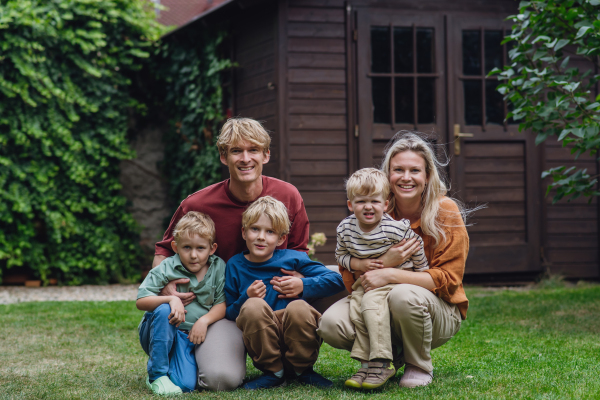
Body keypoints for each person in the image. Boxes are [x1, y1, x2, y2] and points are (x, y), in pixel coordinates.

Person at [152, 117, 346, 391]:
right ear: (223, 156)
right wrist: (166, 287)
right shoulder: (198, 203)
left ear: (266, 154)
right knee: (221, 379)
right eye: (236, 151)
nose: (245, 159)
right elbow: (164, 249)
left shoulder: (288, 196)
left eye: (253, 150)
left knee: (343, 275)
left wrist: (301, 285)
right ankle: (210, 353)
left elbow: (300, 253)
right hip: (224, 308)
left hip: (282, 297)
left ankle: (372, 360)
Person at [317, 131, 470, 389]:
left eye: (415, 170)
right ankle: (384, 357)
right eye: (398, 169)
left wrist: (390, 273)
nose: (406, 177)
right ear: (387, 175)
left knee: (403, 295)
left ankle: (417, 364)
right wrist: (384, 261)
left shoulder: (445, 211)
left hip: (436, 310)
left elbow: (448, 281)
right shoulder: (373, 208)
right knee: (331, 324)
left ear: (428, 176)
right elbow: (349, 269)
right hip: (377, 301)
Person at [225, 196, 346, 390]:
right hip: (261, 339)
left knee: (298, 307)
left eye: (270, 232)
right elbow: (230, 312)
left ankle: (303, 371)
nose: (261, 237)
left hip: (296, 334)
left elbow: (338, 279)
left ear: (281, 239)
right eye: (255, 229)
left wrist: (302, 285)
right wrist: (247, 297)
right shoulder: (235, 265)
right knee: (253, 306)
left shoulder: (293, 258)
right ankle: (274, 373)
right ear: (244, 232)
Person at [335, 168, 429, 390]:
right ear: (350, 205)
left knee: (370, 305)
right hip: (365, 282)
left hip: (394, 282)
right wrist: (359, 264)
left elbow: (416, 245)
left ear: (385, 205)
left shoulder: (393, 229)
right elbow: (341, 256)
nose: (368, 206)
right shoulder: (345, 229)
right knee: (357, 311)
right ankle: (367, 364)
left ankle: (382, 361)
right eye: (361, 201)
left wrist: (421, 271)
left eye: (375, 201)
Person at [137, 212, 225, 395]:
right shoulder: (167, 266)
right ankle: (156, 375)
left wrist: (204, 321)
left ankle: (168, 370)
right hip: (160, 329)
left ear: (212, 248)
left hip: (188, 338)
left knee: (185, 386)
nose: (193, 255)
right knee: (163, 310)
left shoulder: (218, 268)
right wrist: (171, 298)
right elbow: (141, 301)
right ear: (175, 247)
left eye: (200, 248)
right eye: (187, 247)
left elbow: (222, 304)